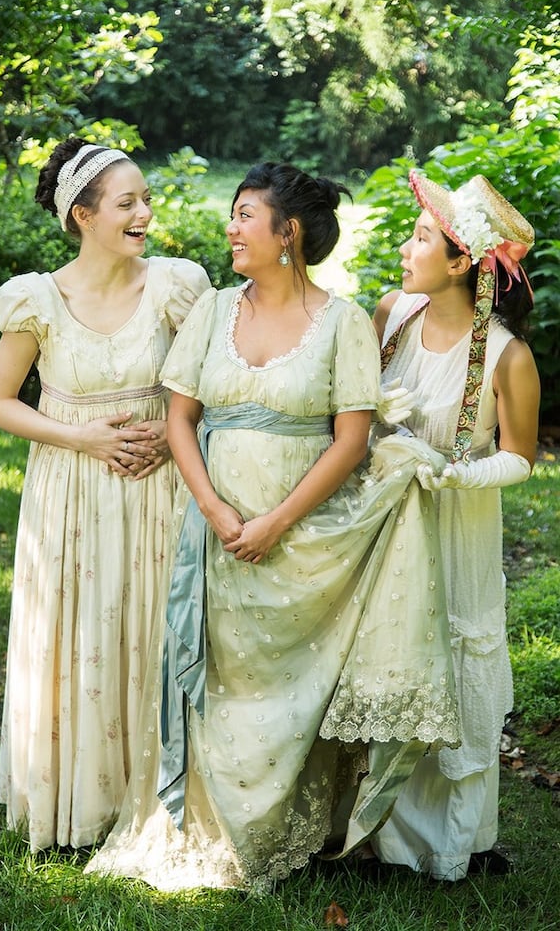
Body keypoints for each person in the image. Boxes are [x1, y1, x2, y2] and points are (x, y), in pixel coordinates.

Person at [84, 162, 460, 892]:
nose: (231, 227)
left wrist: (276, 522)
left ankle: (285, 826)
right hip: (214, 528)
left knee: (291, 676)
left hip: (301, 531)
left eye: (246, 215)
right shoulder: (214, 309)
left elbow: (351, 439)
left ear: (288, 233)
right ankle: (206, 827)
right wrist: (218, 511)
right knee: (218, 672)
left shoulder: (344, 321)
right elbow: (182, 419)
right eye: (234, 214)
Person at [0, 137, 210, 851]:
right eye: (127, 202)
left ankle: (162, 795)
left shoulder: (175, 284)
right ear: (82, 214)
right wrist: (83, 438)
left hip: (159, 484)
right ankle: (81, 799)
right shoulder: (38, 300)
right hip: (73, 490)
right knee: (80, 634)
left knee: (152, 627)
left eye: (145, 198)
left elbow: (208, 383)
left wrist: (171, 435)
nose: (145, 211)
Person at [371, 169, 540, 881]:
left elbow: (522, 458)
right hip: (386, 528)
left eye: (419, 238)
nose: (405, 249)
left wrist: (461, 475)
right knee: (394, 666)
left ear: (461, 262)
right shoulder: (390, 317)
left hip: (459, 528)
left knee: (459, 676)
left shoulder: (507, 355)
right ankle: (386, 840)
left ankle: (457, 844)